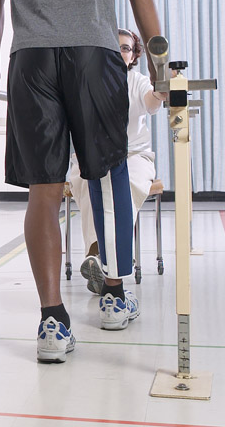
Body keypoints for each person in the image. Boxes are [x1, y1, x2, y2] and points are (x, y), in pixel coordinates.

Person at [0, 0, 165, 363]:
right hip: (92, 55)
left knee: (45, 188)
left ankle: (52, 324)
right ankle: (115, 296)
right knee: (110, 175)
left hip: (31, 59)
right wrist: (161, 64)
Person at [69, 29, 167, 299]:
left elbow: (151, 101)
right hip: (91, 155)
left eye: (125, 48)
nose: (119, 52)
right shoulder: (86, 80)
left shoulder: (138, 81)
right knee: (89, 186)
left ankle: (101, 256)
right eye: (114, 47)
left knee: (127, 186)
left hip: (133, 155)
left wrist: (161, 92)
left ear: (134, 55)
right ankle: (98, 253)